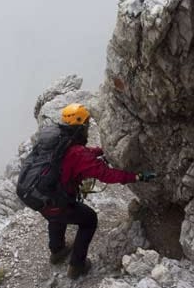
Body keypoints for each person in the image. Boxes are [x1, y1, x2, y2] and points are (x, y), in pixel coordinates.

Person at [39, 103, 156, 280]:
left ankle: (57, 251)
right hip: (58, 201)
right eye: (86, 124)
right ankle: (76, 266)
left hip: (40, 197)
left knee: (55, 216)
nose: (87, 128)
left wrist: (104, 151)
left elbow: (84, 154)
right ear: (81, 126)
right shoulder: (76, 152)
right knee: (89, 220)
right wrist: (137, 176)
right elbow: (107, 174)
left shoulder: (59, 141)